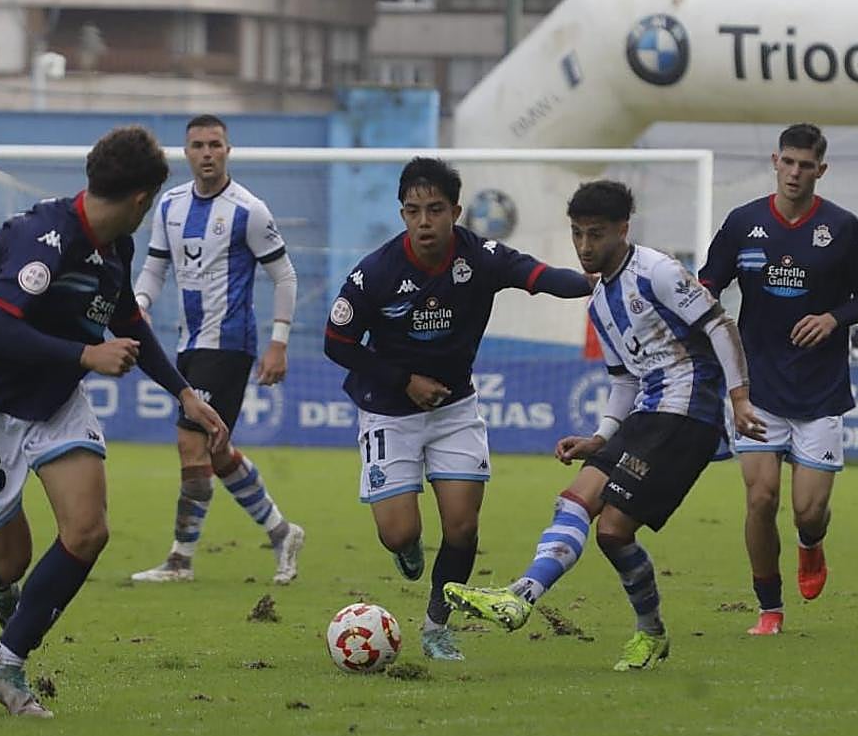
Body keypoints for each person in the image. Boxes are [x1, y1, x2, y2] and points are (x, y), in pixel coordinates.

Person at [0, 126, 229, 717]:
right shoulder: (41, 239)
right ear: (144, 199)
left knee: (88, 530)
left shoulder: (117, 246)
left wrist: (184, 393)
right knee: (11, 559)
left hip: (54, 398)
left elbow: (127, 322)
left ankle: (4, 666)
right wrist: (85, 355)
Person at [443, 180, 766, 671]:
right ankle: (651, 634)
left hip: (686, 412)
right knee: (612, 532)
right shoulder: (597, 301)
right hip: (650, 413)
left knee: (581, 501)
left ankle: (521, 595)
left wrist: (739, 397)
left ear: (622, 229)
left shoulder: (656, 271)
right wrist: (601, 435)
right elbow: (622, 379)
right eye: (577, 234)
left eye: (596, 234)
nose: (585, 246)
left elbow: (720, 324)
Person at [323, 157, 594, 661]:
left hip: (454, 410)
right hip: (387, 411)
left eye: (435, 210)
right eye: (413, 211)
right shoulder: (376, 272)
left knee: (463, 526)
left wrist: (599, 279)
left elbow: (539, 276)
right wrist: (403, 380)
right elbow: (336, 342)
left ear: (456, 211)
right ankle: (405, 547)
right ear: (401, 214)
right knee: (399, 532)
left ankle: (434, 626)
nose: (424, 222)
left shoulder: (481, 257)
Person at [696, 122, 858, 636]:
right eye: (789, 162)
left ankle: (810, 545)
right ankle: (769, 608)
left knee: (808, 512)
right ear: (775, 162)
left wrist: (832, 319)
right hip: (757, 387)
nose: (796, 172)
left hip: (819, 392)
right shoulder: (743, 223)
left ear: (821, 170)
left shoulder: (842, 228)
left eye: (807, 165)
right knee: (760, 499)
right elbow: (708, 283)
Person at [129, 114, 305, 585]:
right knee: (215, 450)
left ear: (229, 150)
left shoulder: (249, 210)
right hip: (186, 342)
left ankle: (180, 560)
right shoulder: (169, 206)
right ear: (185, 153)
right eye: (197, 145)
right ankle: (281, 531)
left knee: (191, 442)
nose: (207, 153)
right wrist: (141, 303)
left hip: (228, 344)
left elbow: (284, 276)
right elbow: (153, 268)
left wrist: (278, 342)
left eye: (215, 144)